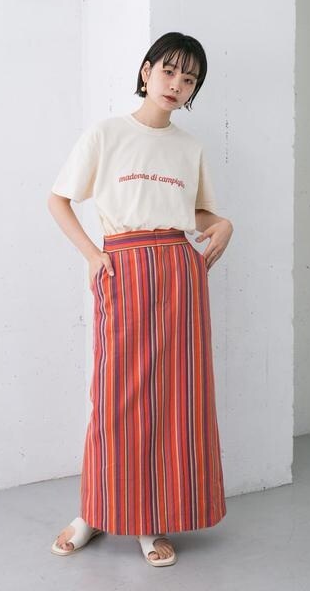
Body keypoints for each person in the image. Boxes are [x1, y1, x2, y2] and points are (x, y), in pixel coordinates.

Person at [47, 31, 233, 567]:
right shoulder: (107, 134)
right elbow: (59, 199)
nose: (177, 84)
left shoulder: (189, 147)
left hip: (178, 270)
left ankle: (149, 521)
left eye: (189, 79)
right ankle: (94, 511)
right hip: (123, 267)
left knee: (176, 399)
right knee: (115, 397)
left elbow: (192, 212)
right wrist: (92, 255)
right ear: (147, 71)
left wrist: (224, 223)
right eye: (169, 71)